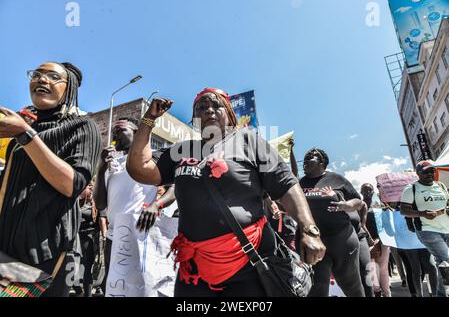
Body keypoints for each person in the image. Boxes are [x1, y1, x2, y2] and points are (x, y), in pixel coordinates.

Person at [126, 88, 326, 297]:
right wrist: (149, 119)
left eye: (216, 105)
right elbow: (139, 169)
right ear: (195, 120)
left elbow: (286, 185)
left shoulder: (250, 141)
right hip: (194, 270)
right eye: (201, 108)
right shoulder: (182, 151)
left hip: (250, 264)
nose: (208, 111)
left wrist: (309, 229)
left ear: (230, 114)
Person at [0, 61, 101, 297]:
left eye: (53, 76)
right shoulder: (18, 132)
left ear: (69, 88)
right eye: (36, 74)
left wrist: (26, 135)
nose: (42, 80)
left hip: (46, 256)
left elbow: (72, 184)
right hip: (5, 249)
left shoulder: (83, 126)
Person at [93, 117, 176, 297]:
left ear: (137, 133)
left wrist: (156, 205)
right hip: (115, 238)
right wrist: (101, 170)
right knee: (115, 289)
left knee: (144, 288)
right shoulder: (111, 164)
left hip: (142, 235)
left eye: (120, 130)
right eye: (113, 132)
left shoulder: (152, 159)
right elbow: (100, 204)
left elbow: (174, 188)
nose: (115, 135)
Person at [299, 148, 365, 297]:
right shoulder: (299, 184)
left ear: (322, 162)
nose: (305, 160)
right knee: (317, 288)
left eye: (310, 157)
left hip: (342, 240)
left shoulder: (337, 179)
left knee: (352, 286)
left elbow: (358, 201)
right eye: (305, 157)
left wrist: (347, 205)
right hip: (315, 242)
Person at [400, 160, 449, 297]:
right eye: (426, 171)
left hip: (447, 228)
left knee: (443, 264)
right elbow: (404, 210)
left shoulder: (441, 186)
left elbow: (447, 202)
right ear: (418, 173)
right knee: (446, 260)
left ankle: (440, 293)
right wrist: (422, 214)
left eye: (432, 170)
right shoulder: (411, 189)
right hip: (427, 230)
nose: (430, 174)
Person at [73, 182, 100, 297]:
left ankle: (87, 294)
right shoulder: (77, 202)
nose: (90, 187)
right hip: (75, 237)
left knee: (87, 268)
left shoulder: (97, 203)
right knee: (71, 266)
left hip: (89, 239)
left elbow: (101, 220)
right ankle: (77, 290)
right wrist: (81, 197)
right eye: (87, 185)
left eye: (91, 185)